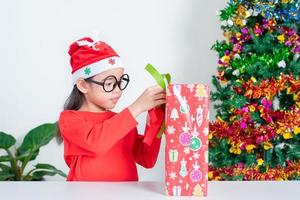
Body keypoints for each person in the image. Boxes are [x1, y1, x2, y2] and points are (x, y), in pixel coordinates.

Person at [57, 37, 166, 181]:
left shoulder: (121, 121)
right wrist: (137, 107)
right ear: (83, 85)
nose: (118, 91)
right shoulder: (69, 119)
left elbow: (147, 159)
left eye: (120, 82)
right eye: (109, 84)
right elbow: (96, 143)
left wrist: (154, 122)